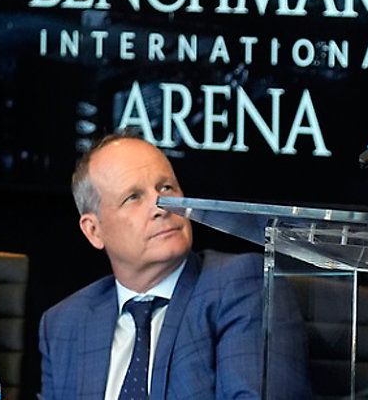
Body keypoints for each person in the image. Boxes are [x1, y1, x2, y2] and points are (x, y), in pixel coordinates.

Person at [39, 133, 308, 400]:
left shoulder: (239, 285)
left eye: (166, 188)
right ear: (94, 231)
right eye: (133, 197)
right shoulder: (64, 323)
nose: (161, 207)